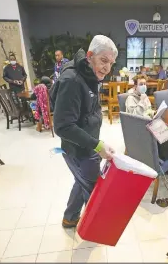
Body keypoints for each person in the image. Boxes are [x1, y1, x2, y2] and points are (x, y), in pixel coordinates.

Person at [53, 35, 118, 228]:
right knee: (94, 189)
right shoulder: (73, 80)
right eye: (103, 60)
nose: (107, 67)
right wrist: (97, 145)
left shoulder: (88, 74)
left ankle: (70, 217)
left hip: (85, 145)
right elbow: (63, 126)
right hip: (80, 150)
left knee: (81, 181)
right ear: (90, 55)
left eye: (111, 63)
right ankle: (96, 228)